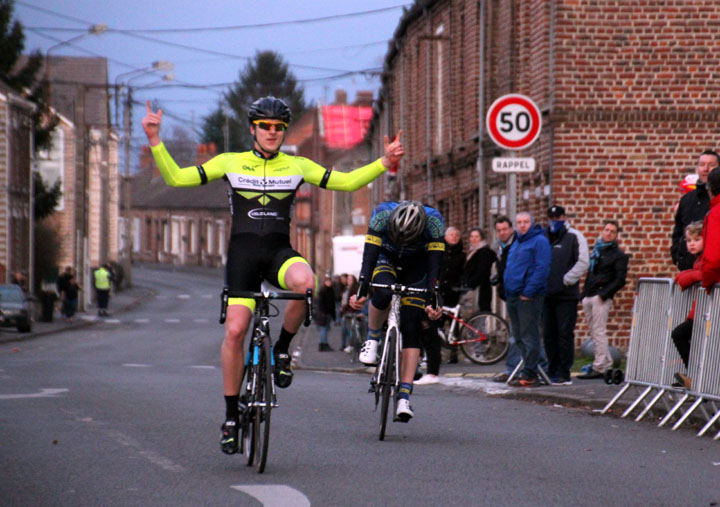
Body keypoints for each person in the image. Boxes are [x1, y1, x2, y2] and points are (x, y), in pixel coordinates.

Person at [142, 96, 405, 455]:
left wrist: (384, 162)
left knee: (306, 282)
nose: (271, 132)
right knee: (235, 331)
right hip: (243, 257)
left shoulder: (296, 165)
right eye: (264, 126)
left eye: (278, 127)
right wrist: (155, 140)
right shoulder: (231, 162)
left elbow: (345, 182)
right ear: (252, 129)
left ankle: (281, 351)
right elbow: (176, 177)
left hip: (279, 253)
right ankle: (231, 416)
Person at [349, 201, 445, 421]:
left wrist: (434, 299)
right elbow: (370, 255)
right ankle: (372, 338)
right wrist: (362, 288)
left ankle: (404, 397)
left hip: (418, 266)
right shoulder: (381, 214)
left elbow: (435, 265)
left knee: (412, 323)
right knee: (382, 293)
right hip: (386, 257)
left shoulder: (435, 222)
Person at [503, 211, 551, 387]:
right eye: (519, 222)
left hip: (528, 296)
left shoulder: (539, 241)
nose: (522, 225)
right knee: (518, 336)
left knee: (529, 335)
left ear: (532, 223)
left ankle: (531, 372)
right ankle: (527, 368)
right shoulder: (517, 242)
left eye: (525, 222)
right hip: (513, 295)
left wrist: (529, 292)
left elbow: (542, 269)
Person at [543, 205, 589, 386]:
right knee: (548, 334)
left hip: (566, 295)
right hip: (547, 294)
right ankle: (551, 369)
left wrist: (567, 279)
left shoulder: (575, 236)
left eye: (558, 217)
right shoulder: (544, 236)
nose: (555, 220)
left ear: (564, 217)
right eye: (551, 217)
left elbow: (583, 261)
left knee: (564, 334)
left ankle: (564, 371)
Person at [577, 220, 629, 380]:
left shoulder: (619, 255)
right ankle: (606, 363)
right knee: (593, 331)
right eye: (606, 230)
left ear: (616, 235)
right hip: (589, 294)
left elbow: (620, 279)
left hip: (601, 296)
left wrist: (603, 294)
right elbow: (590, 274)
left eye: (612, 231)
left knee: (599, 331)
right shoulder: (597, 251)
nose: (608, 233)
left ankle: (599, 366)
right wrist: (584, 294)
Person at [416, 226, 465, 385]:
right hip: (437, 289)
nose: (453, 237)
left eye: (456, 235)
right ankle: (422, 365)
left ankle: (433, 369)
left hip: (447, 291)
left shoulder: (460, 254)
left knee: (433, 328)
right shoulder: (437, 249)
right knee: (428, 328)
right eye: (450, 234)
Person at [671, 150, 719, 271]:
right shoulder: (687, 199)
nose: (706, 169)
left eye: (711, 165)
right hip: (688, 266)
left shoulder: (716, 199)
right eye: (702, 165)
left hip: (711, 268)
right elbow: (678, 230)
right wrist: (677, 255)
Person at [670, 222, 704, 389]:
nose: (692, 243)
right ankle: (696, 376)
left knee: (679, 334)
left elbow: (707, 273)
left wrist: (687, 276)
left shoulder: (706, 259)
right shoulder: (698, 260)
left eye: (697, 239)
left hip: (704, 312)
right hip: (699, 311)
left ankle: (698, 378)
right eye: (689, 240)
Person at [490, 216, 522, 383]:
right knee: (515, 333)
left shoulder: (517, 245)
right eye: (499, 230)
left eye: (505, 229)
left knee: (520, 334)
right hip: (509, 293)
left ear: (511, 229)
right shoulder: (499, 247)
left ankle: (516, 369)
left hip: (520, 293)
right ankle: (513, 368)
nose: (502, 233)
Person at [463, 227, 497, 313]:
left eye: (476, 236)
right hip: (473, 288)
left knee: (478, 315)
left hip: (480, 289)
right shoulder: (473, 251)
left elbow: (482, 271)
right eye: (472, 236)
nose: (473, 239)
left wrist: (470, 283)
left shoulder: (484, 252)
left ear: (481, 238)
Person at [315, 277, 336, 351]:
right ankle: (323, 344)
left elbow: (332, 303)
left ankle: (322, 343)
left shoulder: (330, 290)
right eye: (327, 281)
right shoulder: (323, 290)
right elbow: (320, 303)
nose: (329, 283)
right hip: (324, 313)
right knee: (324, 329)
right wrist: (323, 312)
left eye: (330, 281)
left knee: (325, 329)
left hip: (328, 312)